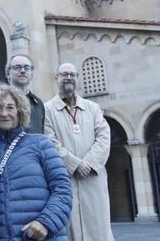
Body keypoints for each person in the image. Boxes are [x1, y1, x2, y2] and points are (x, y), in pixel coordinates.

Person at [0, 85, 72, 241]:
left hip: (41, 236)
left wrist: (45, 223)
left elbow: (63, 189)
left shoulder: (41, 144)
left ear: (19, 111)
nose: (4, 113)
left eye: (10, 107)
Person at [44, 63, 114, 241]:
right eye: (64, 74)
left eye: (72, 74)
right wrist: (75, 165)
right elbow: (50, 142)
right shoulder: (47, 110)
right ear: (56, 78)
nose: (68, 77)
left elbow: (104, 137)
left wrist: (89, 164)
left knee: (99, 229)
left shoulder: (93, 108)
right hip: (65, 180)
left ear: (77, 79)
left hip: (93, 179)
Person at [6, 54, 45, 134]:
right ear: (8, 74)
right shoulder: (1, 100)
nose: (23, 71)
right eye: (17, 67)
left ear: (31, 74)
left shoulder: (38, 103)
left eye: (27, 68)